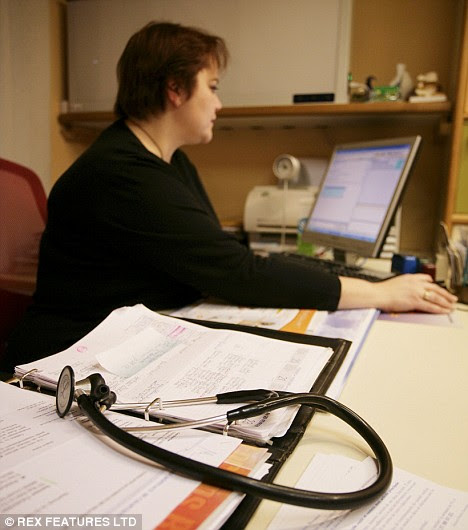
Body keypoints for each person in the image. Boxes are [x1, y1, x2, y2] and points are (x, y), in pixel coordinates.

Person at [4, 22, 457, 371]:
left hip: (128, 340)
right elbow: (234, 272)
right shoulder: (121, 173)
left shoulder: (169, 160)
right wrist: (379, 292)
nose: (219, 104)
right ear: (175, 89)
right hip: (67, 359)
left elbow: (217, 255)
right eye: (213, 87)